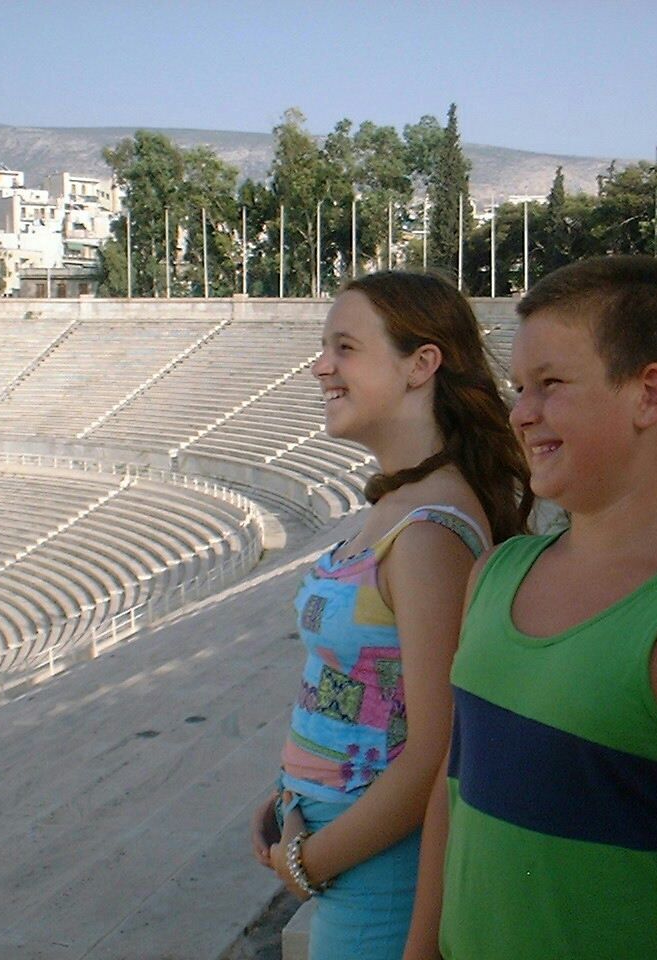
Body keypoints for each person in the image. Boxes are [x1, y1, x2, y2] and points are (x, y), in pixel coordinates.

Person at [404, 255, 657, 960]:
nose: (521, 412)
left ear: (649, 396)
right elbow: (452, 790)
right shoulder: (494, 574)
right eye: (518, 387)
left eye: (551, 385)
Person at [248, 270, 531, 960]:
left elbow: (438, 752)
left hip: (380, 887)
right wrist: (291, 797)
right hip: (347, 860)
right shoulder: (400, 505)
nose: (321, 367)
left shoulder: (432, 534)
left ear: (421, 364)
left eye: (345, 347)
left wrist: (308, 862)